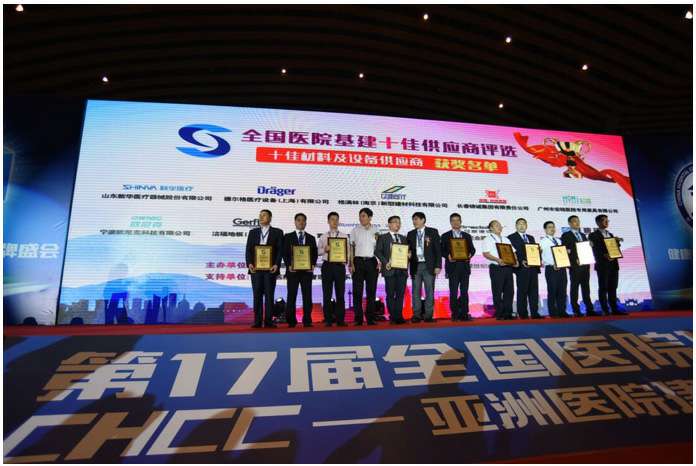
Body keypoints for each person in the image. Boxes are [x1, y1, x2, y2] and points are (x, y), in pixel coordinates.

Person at [245, 209, 283, 328]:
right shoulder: (253, 232)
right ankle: (257, 321)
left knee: (269, 295)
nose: (261, 217)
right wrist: (249, 263)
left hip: (270, 269)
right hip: (256, 269)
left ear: (270, 218)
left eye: (264, 215)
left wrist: (276, 264)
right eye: (260, 215)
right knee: (257, 295)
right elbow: (248, 250)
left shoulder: (277, 232)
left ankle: (268, 321)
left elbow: (280, 250)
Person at [282, 213, 318, 328]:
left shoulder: (311, 238)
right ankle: (291, 321)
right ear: (295, 222)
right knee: (291, 296)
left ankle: (307, 320)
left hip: (306, 272)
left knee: (307, 296)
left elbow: (314, 254)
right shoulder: (288, 237)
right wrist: (288, 265)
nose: (301, 222)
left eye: (303, 220)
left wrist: (312, 264)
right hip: (292, 272)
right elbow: (284, 253)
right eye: (299, 220)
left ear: (306, 223)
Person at [589, 214, 628, 316]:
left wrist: (617, 242)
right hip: (602, 265)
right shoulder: (593, 235)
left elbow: (614, 248)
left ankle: (614, 309)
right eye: (604, 220)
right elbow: (595, 249)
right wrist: (604, 255)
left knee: (613, 287)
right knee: (603, 287)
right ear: (598, 222)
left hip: (613, 264)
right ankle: (605, 310)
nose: (606, 222)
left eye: (607, 220)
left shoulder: (610, 234)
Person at [561, 215, 599, 317]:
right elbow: (565, 251)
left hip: (585, 265)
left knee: (586, 288)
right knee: (575, 288)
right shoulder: (566, 235)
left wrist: (590, 245)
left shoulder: (583, 235)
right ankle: (576, 310)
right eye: (574, 221)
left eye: (578, 221)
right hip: (575, 266)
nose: (577, 223)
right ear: (569, 223)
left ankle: (589, 309)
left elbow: (585, 249)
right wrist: (574, 260)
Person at [440, 213, 476, 321]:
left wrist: (470, 255)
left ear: (461, 222)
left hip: (464, 267)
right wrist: (448, 256)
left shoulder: (466, 236)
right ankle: (454, 314)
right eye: (453, 220)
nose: (456, 222)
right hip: (452, 267)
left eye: (457, 220)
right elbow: (441, 250)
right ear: (450, 222)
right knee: (453, 291)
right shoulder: (445, 236)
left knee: (464, 291)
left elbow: (472, 249)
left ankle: (464, 313)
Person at [407, 212, 441, 323]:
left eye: (416, 219)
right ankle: (416, 315)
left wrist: (438, 265)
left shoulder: (433, 232)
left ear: (423, 220)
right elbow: (408, 250)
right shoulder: (410, 234)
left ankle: (428, 316)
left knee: (429, 291)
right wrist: (408, 254)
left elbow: (438, 250)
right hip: (415, 266)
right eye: (413, 219)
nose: (414, 221)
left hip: (429, 266)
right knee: (415, 292)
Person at [317, 211, 350, 327]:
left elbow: (348, 252)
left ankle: (340, 319)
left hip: (339, 266)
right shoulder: (323, 236)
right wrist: (324, 250)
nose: (334, 222)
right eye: (332, 219)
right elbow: (317, 251)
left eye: (336, 219)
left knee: (340, 294)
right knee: (327, 294)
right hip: (327, 266)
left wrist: (346, 260)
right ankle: (328, 319)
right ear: (328, 221)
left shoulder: (344, 236)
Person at [375, 216, 409, 324]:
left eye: (399, 222)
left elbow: (406, 252)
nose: (397, 224)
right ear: (389, 224)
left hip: (402, 270)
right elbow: (377, 251)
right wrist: (386, 262)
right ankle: (393, 316)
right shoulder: (383, 237)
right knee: (390, 294)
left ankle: (399, 316)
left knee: (400, 294)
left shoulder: (403, 238)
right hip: (389, 270)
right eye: (395, 222)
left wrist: (409, 255)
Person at [482, 220, 518, 320]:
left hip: (508, 268)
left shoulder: (506, 239)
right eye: (496, 225)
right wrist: (497, 260)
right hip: (496, 267)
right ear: (491, 228)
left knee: (509, 291)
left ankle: (508, 313)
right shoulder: (487, 239)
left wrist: (515, 261)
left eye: (500, 225)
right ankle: (499, 313)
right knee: (497, 291)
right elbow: (486, 253)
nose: (499, 227)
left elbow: (513, 252)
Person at [507, 218, 543, 319]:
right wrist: (521, 261)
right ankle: (523, 314)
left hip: (533, 268)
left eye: (524, 224)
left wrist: (539, 255)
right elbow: (511, 253)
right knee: (522, 291)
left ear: (526, 226)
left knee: (534, 291)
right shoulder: (511, 237)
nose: (522, 226)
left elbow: (533, 252)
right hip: (521, 268)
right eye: (519, 224)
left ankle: (534, 313)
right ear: (516, 226)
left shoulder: (531, 238)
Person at [349, 208, 380, 326]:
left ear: (370, 217)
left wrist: (379, 261)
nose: (361, 218)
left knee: (371, 291)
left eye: (363, 216)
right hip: (358, 261)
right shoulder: (355, 230)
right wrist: (351, 263)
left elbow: (379, 248)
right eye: (360, 216)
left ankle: (370, 318)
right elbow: (351, 247)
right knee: (357, 291)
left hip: (372, 262)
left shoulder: (376, 230)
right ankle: (358, 318)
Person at [539, 221, 570, 318]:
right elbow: (542, 256)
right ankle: (553, 312)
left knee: (562, 290)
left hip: (562, 268)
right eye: (549, 227)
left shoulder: (559, 241)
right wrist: (553, 264)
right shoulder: (542, 242)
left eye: (553, 227)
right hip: (551, 268)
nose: (552, 229)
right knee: (552, 290)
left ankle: (562, 311)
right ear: (545, 229)